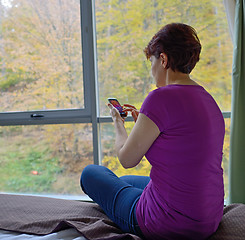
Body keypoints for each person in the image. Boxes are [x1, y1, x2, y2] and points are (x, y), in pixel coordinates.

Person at [80, 23, 225, 240]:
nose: (152, 70)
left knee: (91, 174)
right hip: (208, 219)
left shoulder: (159, 97)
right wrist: (144, 124)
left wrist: (118, 123)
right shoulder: (207, 99)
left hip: (166, 224)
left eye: (152, 61)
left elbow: (126, 158)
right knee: (126, 180)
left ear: (164, 59)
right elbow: (182, 148)